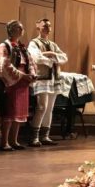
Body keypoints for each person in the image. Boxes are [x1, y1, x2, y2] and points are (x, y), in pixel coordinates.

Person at [0, 20, 37, 151]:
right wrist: (22, 75)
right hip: (11, 83)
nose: (21, 30)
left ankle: (14, 140)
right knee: (9, 112)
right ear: (11, 30)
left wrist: (32, 74)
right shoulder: (4, 46)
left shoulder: (22, 47)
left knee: (19, 112)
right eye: (18, 28)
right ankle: (4, 142)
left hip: (22, 83)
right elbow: (4, 65)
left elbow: (31, 62)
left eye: (21, 28)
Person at [28, 18, 68, 147]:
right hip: (42, 79)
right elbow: (36, 58)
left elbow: (64, 57)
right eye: (45, 26)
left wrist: (50, 54)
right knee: (42, 107)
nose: (47, 28)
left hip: (53, 79)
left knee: (50, 108)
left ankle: (45, 136)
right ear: (38, 27)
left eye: (49, 26)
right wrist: (52, 57)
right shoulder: (34, 43)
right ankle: (34, 137)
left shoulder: (53, 44)